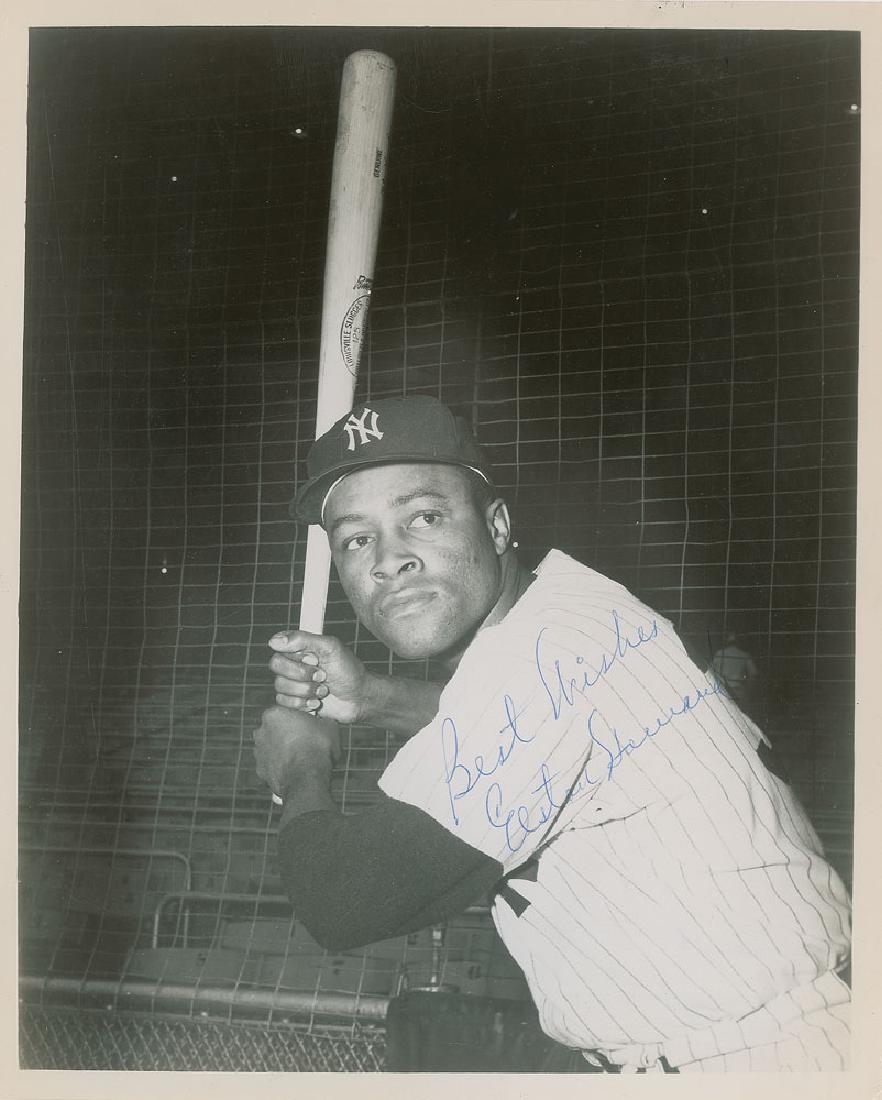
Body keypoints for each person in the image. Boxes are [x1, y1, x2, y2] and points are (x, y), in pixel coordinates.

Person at [252, 395, 851, 1073]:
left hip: (766, 1063)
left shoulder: (540, 660)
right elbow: (533, 725)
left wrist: (300, 763)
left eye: (423, 517)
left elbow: (341, 900)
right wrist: (372, 699)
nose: (391, 559)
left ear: (498, 525)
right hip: (765, 1038)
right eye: (358, 539)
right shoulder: (574, 610)